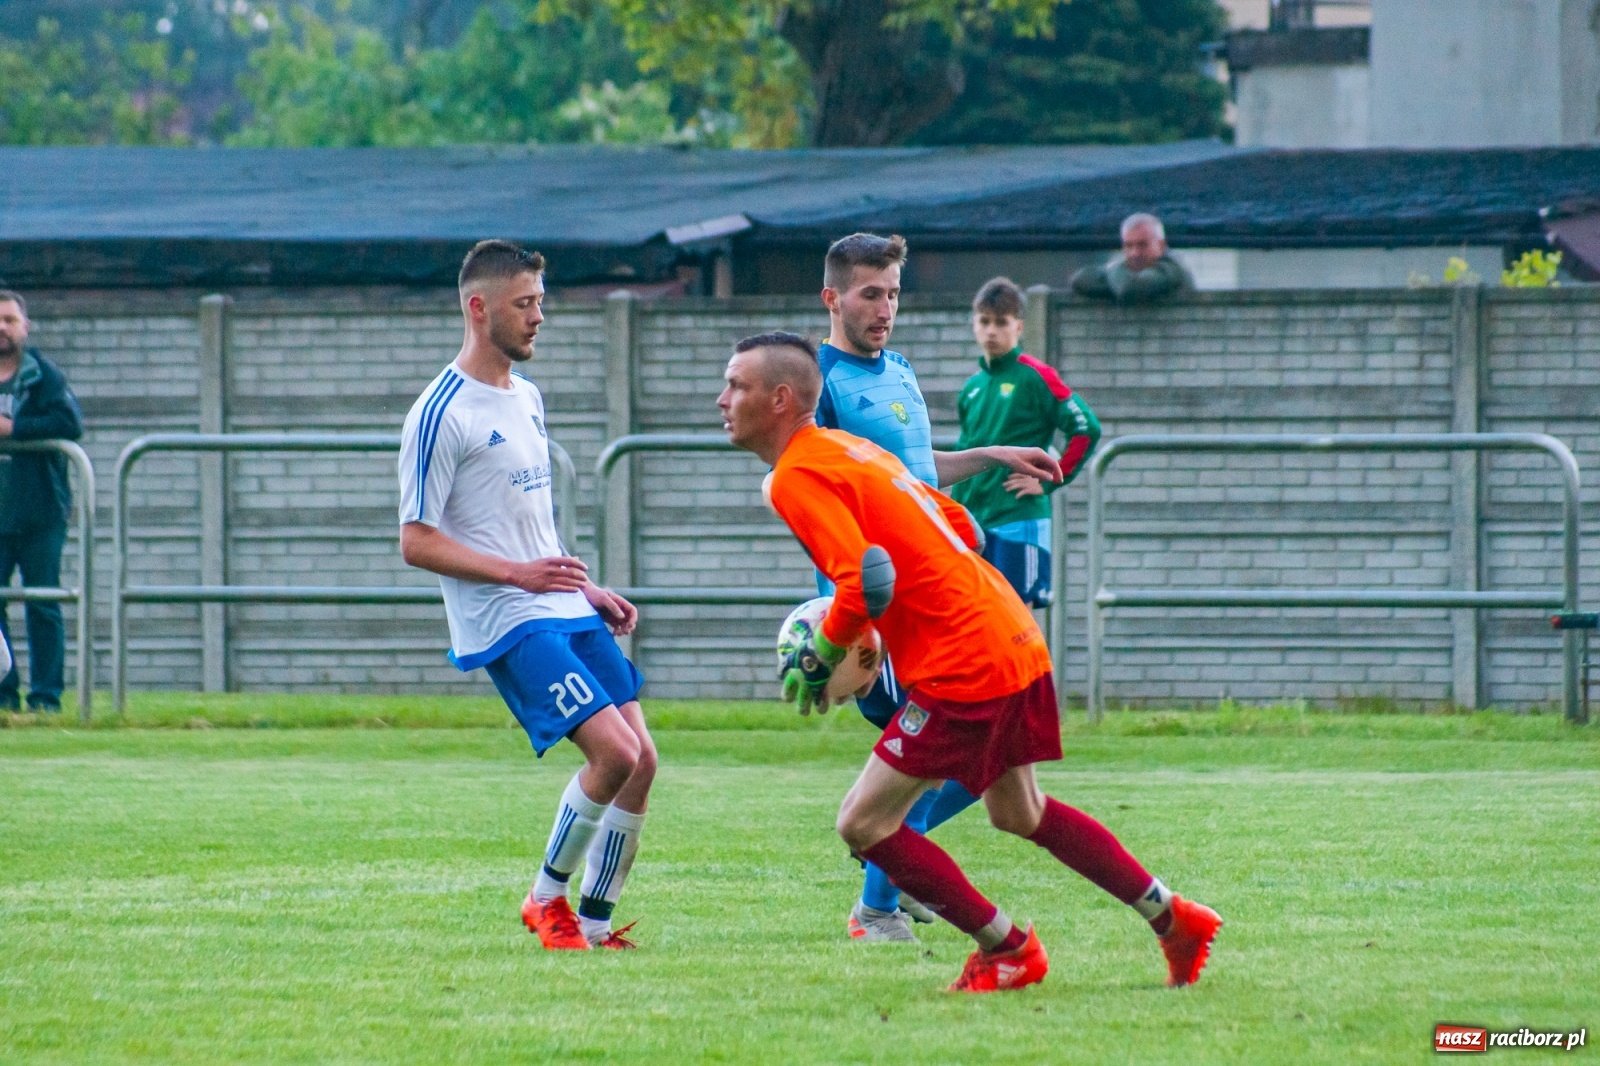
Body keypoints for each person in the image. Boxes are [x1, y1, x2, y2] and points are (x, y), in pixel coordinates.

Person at [719, 332, 1221, 993]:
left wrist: (831, 649)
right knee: (1020, 811)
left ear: (780, 399)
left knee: (864, 823)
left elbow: (861, 582)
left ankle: (1007, 948)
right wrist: (893, 617)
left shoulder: (794, 475)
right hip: (1008, 628)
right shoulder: (852, 450)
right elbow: (960, 527)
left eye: (736, 386)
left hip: (965, 658)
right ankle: (1174, 917)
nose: (721, 399)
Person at [399, 240, 656, 951]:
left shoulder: (528, 396)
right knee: (613, 754)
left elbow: (526, 521)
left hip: (560, 604)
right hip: (506, 617)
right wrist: (517, 576)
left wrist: (584, 584)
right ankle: (546, 900)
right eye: (525, 304)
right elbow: (415, 540)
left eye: (541, 301)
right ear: (479, 310)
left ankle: (597, 924)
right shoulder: (439, 411)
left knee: (644, 762)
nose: (540, 316)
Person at [812, 233, 1064, 942]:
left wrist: (989, 456)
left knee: (977, 754)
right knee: (954, 752)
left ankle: (897, 878)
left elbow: (917, 474)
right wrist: (851, 611)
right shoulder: (817, 382)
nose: (885, 307)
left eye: (893, 293)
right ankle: (879, 904)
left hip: (940, 594)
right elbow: (820, 498)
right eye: (870, 293)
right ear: (832, 298)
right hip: (886, 606)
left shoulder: (900, 370)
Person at [952, 278, 1100, 607]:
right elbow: (966, 450)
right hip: (971, 522)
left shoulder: (1036, 376)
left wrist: (1050, 478)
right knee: (977, 619)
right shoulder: (971, 388)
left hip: (1017, 517)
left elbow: (1085, 427)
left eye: (1001, 322)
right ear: (973, 324)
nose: (991, 331)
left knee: (1018, 620)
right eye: (984, 321)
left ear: (1018, 326)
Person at [0, 289, 83, 713]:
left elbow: (69, 422)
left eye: (10, 320)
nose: (2, 328)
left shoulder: (43, 377)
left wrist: (13, 429)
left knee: (43, 604)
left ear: (25, 327)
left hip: (40, 513)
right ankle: (4, 694)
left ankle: (47, 698)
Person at [1069, 213, 1194, 303]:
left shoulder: (1171, 269)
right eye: (1128, 246)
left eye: (1143, 245)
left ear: (1161, 246)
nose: (1135, 253)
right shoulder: (1126, 272)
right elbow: (1080, 280)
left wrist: (1114, 268)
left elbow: (1129, 288)